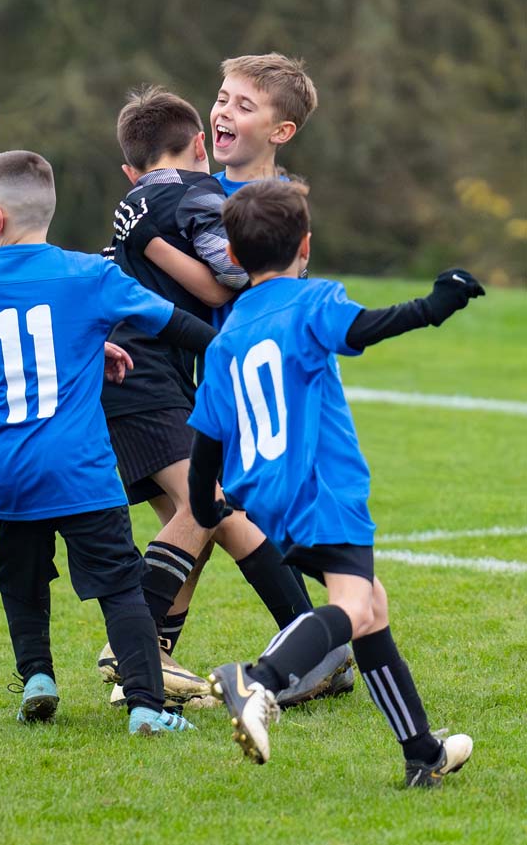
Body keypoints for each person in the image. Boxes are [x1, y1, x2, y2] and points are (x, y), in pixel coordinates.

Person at [188, 178, 483, 784]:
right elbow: (363, 328)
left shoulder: (227, 338)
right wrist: (434, 306)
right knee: (350, 604)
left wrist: (202, 505)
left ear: (235, 259)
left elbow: (207, 442)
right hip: (324, 491)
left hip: (268, 502)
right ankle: (257, 679)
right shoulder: (310, 301)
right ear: (306, 245)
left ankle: (421, 752)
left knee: (370, 604)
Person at [107, 58, 354, 707]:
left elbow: (279, 298)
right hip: (187, 381)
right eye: (221, 99)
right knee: (213, 509)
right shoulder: (188, 188)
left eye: (244, 105)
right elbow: (142, 265)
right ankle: (308, 647)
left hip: (254, 384)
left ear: (282, 130)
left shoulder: (283, 208)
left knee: (220, 515)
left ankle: (152, 657)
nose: (223, 112)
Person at [0, 149, 217, 736]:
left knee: (21, 578)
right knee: (121, 587)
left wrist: (82, 348)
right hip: (80, 468)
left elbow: (6, 356)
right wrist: (229, 351)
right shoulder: (90, 276)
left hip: (8, 469)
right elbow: (176, 323)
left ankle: (39, 677)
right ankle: (147, 707)